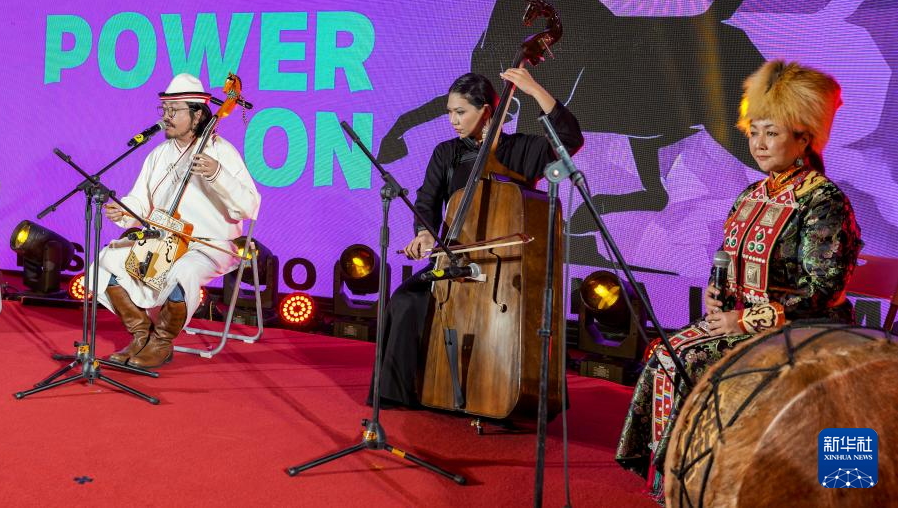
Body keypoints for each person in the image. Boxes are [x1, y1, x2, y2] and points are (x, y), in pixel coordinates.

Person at [615, 60, 863, 499]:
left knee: (688, 362)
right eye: (754, 132)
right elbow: (728, 258)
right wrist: (719, 292)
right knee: (666, 353)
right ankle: (678, 480)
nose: (759, 143)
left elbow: (823, 289)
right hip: (745, 321)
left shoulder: (823, 200)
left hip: (805, 327)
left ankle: (694, 482)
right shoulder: (752, 194)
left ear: (803, 138)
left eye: (772, 133)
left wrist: (745, 321)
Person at [369, 68, 584, 408]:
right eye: (449, 113)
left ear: (486, 111)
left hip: (505, 271)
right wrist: (424, 233)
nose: (453, 121)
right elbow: (427, 201)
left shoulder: (522, 149)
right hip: (457, 260)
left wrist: (533, 90)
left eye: (460, 112)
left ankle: (504, 394)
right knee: (405, 300)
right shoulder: (447, 153)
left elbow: (570, 139)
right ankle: (400, 393)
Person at [94, 73, 260, 369]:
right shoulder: (159, 154)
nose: (166, 117)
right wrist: (125, 211)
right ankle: (141, 334)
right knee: (106, 261)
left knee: (185, 271)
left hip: (208, 245)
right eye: (164, 110)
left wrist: (217, 174)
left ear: (197, 115)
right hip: (163, 241)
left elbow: (249, 206)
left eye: (174, 110)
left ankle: (162, 342)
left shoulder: (221, 152)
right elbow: (141, 199)